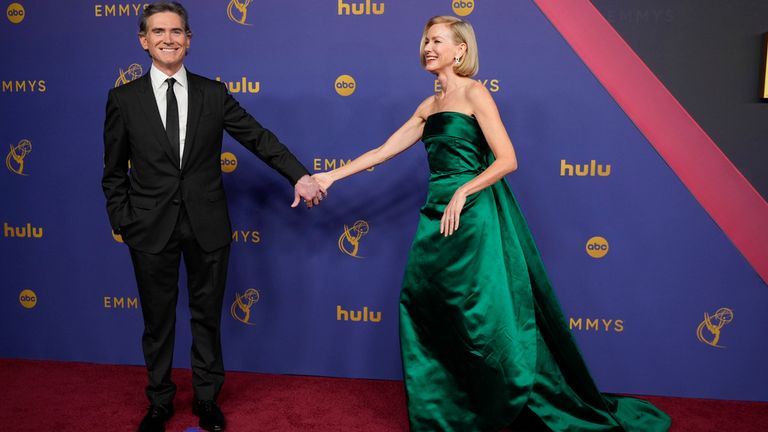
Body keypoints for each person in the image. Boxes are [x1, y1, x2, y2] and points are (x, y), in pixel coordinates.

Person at [312, 15, 671, 432]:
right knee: (427, 306)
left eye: (437, 41)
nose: (428, 47)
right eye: (426, 40)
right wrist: (329, 176)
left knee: (480, 314)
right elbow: (382, 151)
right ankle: (446, 409)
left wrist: (465, 191)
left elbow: (507, 159)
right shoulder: (428, 106)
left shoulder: (475, 93)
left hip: (471, 216)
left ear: (460, 49)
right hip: (435, 215)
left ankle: (499, 403)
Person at [101, 2, 325, 431]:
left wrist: (298, 174)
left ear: (189, 39)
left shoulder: (213, 93)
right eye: (159, 31)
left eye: (177, 31)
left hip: (207, 224)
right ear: (143, 40)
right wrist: (124, 220)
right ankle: (160, 402)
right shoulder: (123, 99)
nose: (168, 38)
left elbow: (258, 137)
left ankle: (206, 400)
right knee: (157, 321)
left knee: (206, 316)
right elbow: (113, 172)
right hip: (149, 228)